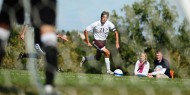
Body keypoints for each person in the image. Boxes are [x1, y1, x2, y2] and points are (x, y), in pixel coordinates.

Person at [0, 0, 58, 94]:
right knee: (48, 36)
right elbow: (27, 24)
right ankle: (49, 87)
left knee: (2, 30)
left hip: (39, 43)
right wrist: (23, 34)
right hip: (38, 44)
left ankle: (24, 55)